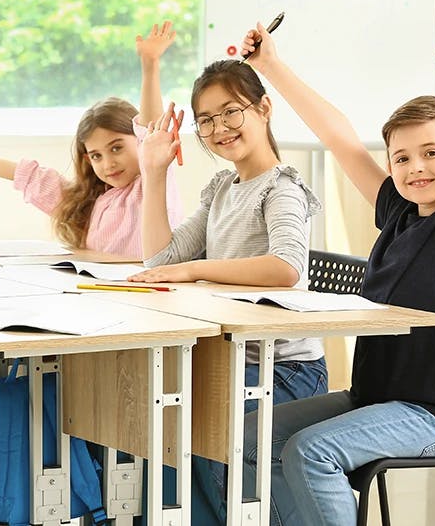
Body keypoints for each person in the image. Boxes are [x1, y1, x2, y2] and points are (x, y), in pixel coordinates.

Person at [239, 12, 435, 525]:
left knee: (310, 452)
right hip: (371, 399)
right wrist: (271, 65)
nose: (416, 168)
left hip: (429, 415)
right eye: (401, 158)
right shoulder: (397, 212)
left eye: (432, 153)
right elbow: (338, 135)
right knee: (249, 438)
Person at [128, 26, 326, 524]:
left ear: (264, 109)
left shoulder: (282, 188)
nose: (219, 128)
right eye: (206, 121)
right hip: (232, 361)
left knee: (191, 427)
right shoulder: (222, 187)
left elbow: (286, 268)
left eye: (231, 112)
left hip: (283, 372)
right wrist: (153, 172)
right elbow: (159, 260)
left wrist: (195, 270)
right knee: (160, 424)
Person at [0, 24, 185, 257]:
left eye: (116, 148)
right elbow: (25, 175)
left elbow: (151, 130)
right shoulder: (88, 204)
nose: (108, 164)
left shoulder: (154, 179)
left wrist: (150, 64)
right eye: (96, 155)